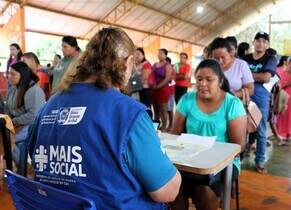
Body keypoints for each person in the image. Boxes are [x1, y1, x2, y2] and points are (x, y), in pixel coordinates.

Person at [28, 27, 181, 210]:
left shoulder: (48, 107)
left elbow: (35, 158)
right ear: (128, 62)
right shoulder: (128, 113)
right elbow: (167, 191)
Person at [170, 59, 247, 210]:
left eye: (209, 79)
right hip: (189, 160)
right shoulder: (186, 100)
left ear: (220, 81)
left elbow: (237, 147)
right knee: (170, 186)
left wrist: (210, 156)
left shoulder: (232, 104)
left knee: (203, 192)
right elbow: (175, 134)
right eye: (199, 79)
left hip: (223, 163)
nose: (202, 83)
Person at [243, 32, 277, 173]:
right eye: (258, 40)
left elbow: (266, 78)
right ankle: (239, 154)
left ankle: (260, 160)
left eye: (264, 41)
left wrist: (246, 75)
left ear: (267, 44)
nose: (261, 44)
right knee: (241, 125)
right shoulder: (245, 58)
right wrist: (257, 77)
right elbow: (260, 76)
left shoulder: (271, 59)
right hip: (244, 93)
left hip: (261, 95)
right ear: (254, 42)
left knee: (261, 128)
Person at [6, 62, 45, 165]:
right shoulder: (12, 89)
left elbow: (34, 115)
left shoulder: (34, 90)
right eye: (9, 73)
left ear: (22, 75)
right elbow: (8, 111)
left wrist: (13, 121)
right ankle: (22, 167)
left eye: (13, 74)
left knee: (7, 139)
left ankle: (25, 167)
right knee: (4, 136)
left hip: (33, 125)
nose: (9, 76)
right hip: (18, 124)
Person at [152, 49, 173, 131]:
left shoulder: (167, 65)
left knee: (163, 109)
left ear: (165, 55)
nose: (159, 55)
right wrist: (153, 85)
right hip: (154, 89)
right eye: (158, 53)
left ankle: (164, 126)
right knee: (155, 109)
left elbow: (167, 78)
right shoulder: (155, 64)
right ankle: (156, 126)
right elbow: (151, 75)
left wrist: (158, 86)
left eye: (161, 53)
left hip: (163, 89)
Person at [134, 47, 155, 119]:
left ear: (143, 55)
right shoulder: (136, 64)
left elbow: (144, 78)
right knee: (140, 105)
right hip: (138, 88)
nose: (136, 56)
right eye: (135, 54)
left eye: (138, 54)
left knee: (146, 105)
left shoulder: (146, 64)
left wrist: (133, 85)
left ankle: (149, 120)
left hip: (145, 89)